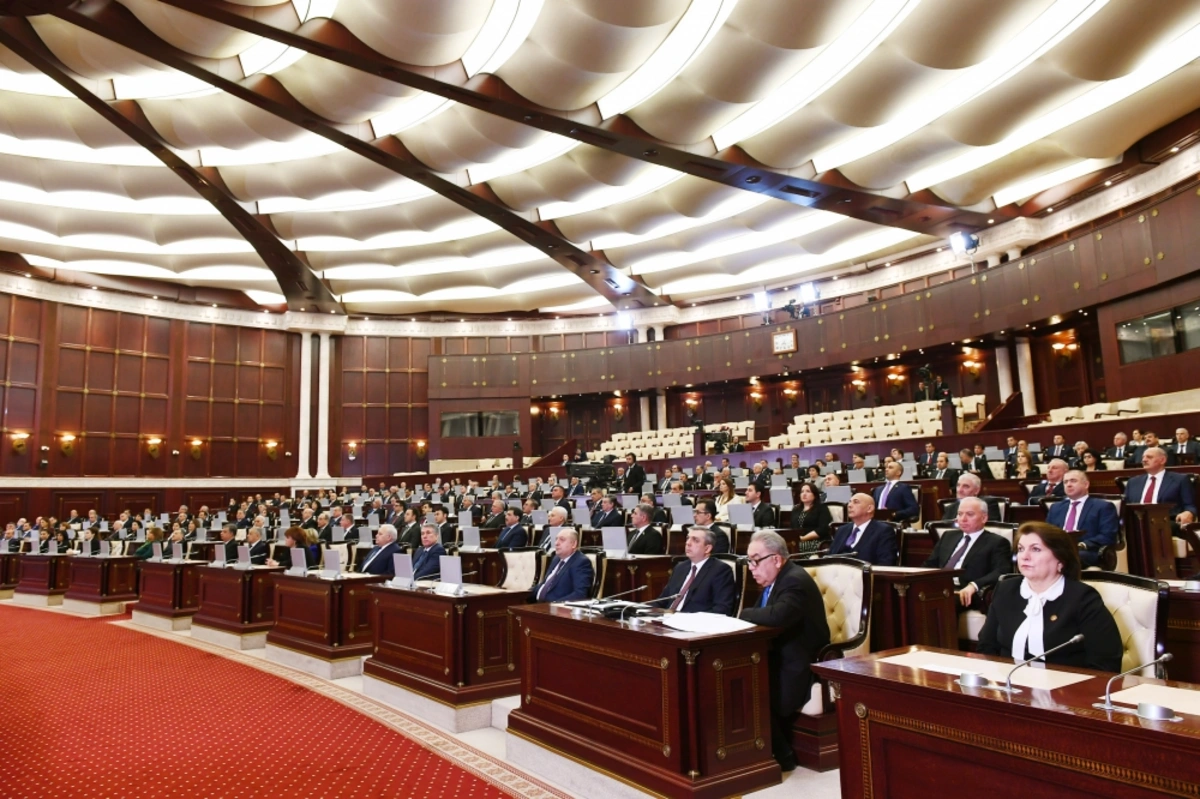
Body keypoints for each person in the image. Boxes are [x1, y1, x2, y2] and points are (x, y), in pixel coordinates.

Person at [739, 531, 830, 773]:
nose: (751, 568)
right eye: (748, 561)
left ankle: (783, 756)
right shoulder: (775, 581)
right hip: (775, 654)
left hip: (798, 663)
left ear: (776, 559)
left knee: (753, 692)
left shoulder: (794, 580)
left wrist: (741, 613)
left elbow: (778, 616)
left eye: (755, 561)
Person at [977, 522, 1123, 672]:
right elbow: (986, 646)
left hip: (1065, 684)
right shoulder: (1006, 590)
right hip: (1008, 681)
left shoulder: (1083, 598)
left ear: (1060, 559)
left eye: (1035, 549)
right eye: (1020, 549)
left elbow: (1106, 663)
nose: (1024, 556)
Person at [922, 498, 1011, 609]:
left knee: (941, 603)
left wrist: (974, 585)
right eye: (960, 514)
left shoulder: (997, 542)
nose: (963, 519)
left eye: (970, 514)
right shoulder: (948, 536)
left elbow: (1002, 571)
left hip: (966, 591)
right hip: (940, 587)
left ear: (984, 518)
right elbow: (929, 564)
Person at [650, 527, 736, 615]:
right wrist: (646, 610)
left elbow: (722, 608)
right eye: (688, 538)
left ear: (707, 548)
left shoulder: (720, 570)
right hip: (666, 617)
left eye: (695, 540)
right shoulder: (680, 567)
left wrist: (688, 618)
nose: (688, 543)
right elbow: (663, 599)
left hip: (693, 620)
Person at [1046, 470, 1119, 569]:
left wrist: (1082, 545)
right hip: (1059, 549)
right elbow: (1047, 534)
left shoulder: (1103, 507)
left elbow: (1107, 536)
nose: (1068, 485)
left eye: (1073, 481)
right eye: (1065, 482)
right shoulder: (1056, 507)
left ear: (1086, 484)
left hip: (1087, 551)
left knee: (1070, 556)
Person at [1123, 447, 1197, 529]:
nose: (1144, 460)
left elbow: (1190, 505)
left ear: (1162, 460)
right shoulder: (1133, 482)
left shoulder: (1180, 480)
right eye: (1143, 457)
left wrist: (1188, 512)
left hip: (1166, 522)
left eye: (1149, 457)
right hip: (1137, 524)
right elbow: (1125, 507)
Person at [828, 493, 897, 565]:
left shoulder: (883, 531)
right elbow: (830, 557)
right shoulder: (842, 530)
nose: (849, 505)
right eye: (849, 502)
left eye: (856, 502)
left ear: (869, 508)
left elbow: (886, 562)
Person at [530, 528, 594, 602]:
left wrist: (555, 604)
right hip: (535, 602)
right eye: (556, 539)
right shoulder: (556, 559)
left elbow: (580, 594)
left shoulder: (581, 562)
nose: (556, 543)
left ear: (574, 544)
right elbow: (545, 583)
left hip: (555, 606)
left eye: (562, 540)